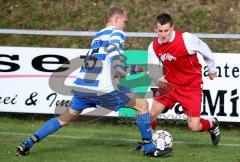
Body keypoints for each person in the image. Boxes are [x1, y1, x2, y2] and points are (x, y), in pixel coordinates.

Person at [16, 6, 172, 157]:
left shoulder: (97, 36)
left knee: (62, 119)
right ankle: (149, 147)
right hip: (102, 89)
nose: (125, 25)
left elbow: (107, 63)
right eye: (125, 21)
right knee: (142, 104)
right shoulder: (117, 33)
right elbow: (116, 62)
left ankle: (28, 142)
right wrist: (126, 69)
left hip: (83, 87)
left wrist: (135, 68)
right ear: (116, 18)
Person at [144, 12, 220, 147]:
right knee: (151, 115)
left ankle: (212, 123)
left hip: (190, 86)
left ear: (172, 28)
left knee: (194, 126)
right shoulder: (153, 46)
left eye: (166, 30)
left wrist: (212, 69)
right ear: (155, 29)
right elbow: (154, 68)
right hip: (170, 85)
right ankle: (148, 143)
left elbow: (205, 50)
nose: (163, 34)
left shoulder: (186, 38)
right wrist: (160, 78)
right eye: (160, 31)